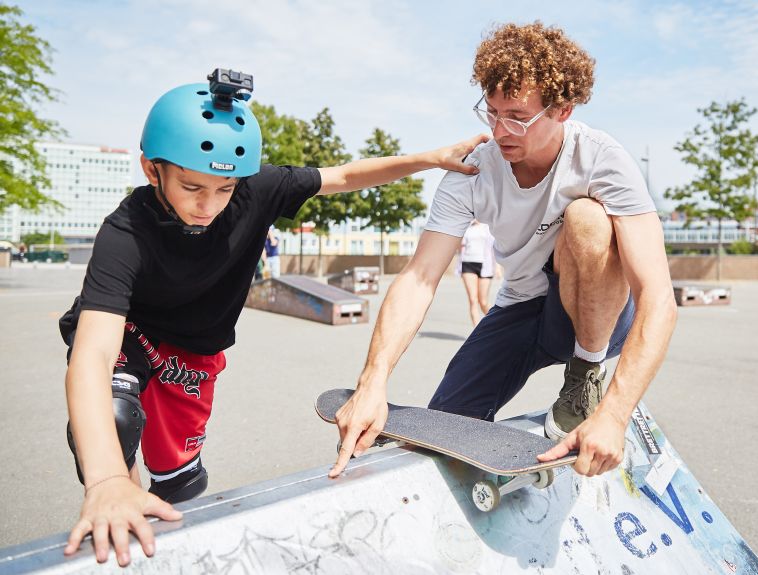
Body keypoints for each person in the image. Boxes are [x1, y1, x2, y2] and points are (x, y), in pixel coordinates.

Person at [59, 69, 487, 567]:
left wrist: (429, 159)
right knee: (114, 419)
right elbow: (93, 352)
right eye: (192, 186)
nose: (208, 205)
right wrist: (109, 479)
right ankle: (119, 513)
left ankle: (152, 502)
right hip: (134, 334)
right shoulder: (124, 233)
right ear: (152, 170)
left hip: (194, 352)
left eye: (224, 189)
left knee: (179, 484)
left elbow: (344, 176)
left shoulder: (258, 189)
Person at [331, 23, 677, 482]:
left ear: (563, 110)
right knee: (445, 429)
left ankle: (584, 376)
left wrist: (615, 412)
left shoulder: (602, 159)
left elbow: (658, 296)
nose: (499, 130)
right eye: (491, 112)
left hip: (599, 317)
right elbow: (420, 277)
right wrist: (373, 380)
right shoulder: (472, 171)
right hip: (522, 306)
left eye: (516, 116)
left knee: (588, 218)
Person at [458, 219, 495, 325]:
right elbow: (460, 246)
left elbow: (494, 247)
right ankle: (477, 334)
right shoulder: (467, 226)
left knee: (483, 302)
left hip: (485, 265)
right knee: (473, 300)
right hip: (467, 263)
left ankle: (495, 326)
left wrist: (496, 268)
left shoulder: (488, 226)